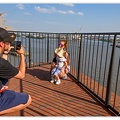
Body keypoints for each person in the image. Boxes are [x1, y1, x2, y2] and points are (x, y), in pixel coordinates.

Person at [0, 27, 32, 115]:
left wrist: (5, 53)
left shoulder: (2, 64)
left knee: (6, 80)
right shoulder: (2, 64)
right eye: (8, 42)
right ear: (2, 44)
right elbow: (21, 75)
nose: (10, 44)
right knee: (27, 99)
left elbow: (4, 68)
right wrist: (22, 54)